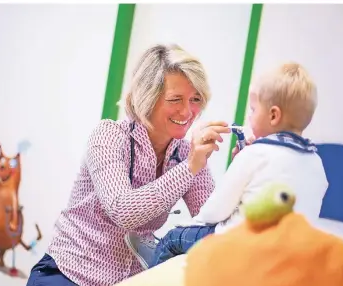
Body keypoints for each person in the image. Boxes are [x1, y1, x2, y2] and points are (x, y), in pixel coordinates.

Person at [22, 43, 232, 286]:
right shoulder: (109, 136)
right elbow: (123, 210)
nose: (187, 112)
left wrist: (243, 168)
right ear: (148, 96)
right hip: (67, 277)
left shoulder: (189, 156)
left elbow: (213, 222)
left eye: (196, 100)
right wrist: (190, 166)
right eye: (175, 99)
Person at [130, 62, 329, 268]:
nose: (249, 116)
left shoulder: (255, 154)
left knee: (172, 239)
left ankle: (152, 277)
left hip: (237, 247)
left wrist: (191, 227)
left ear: (273, 115)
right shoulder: (317, 164)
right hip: (283, 257)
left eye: (253, 109)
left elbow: (216, 210)